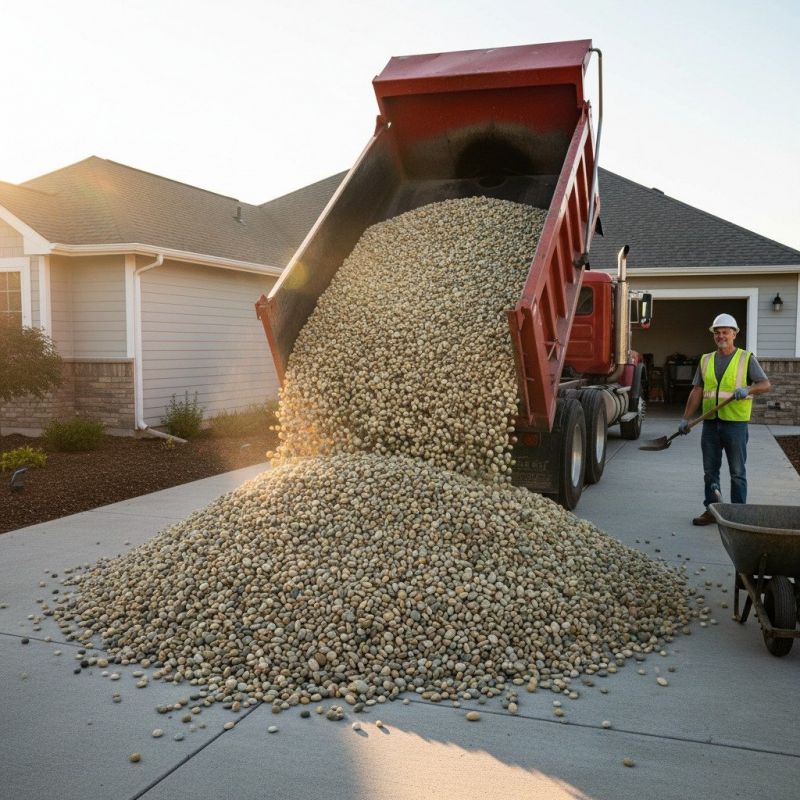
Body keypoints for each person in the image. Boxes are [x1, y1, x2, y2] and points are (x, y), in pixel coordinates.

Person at [678, 313, 770, 525]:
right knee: (710, 471)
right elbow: (697, 390)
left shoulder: (746, 358)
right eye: (717, 333)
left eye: (725, 332)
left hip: (735, 425)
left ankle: (738, 514)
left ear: (734, 334)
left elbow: (765, 384)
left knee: (737, 472)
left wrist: (747, 389)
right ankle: (712, 509)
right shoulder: (706, 359)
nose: (721, 336)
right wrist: (685, 418)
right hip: (710, 424)